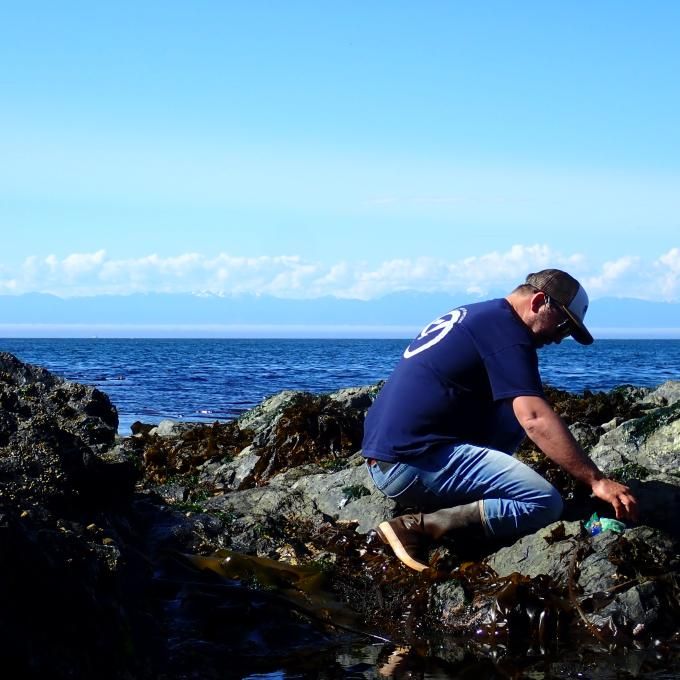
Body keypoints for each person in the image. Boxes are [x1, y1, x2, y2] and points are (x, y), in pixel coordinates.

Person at [362, 269, 639, 572]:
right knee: (544, 504)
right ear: (537, 302)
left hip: (387, 456)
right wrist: (597, 481)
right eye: (561, 326)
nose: (559, 339)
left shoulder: (481, 316)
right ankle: (417, 527)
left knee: (510, 411)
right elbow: (534, 418)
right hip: (411, 462)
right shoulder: (507, 334)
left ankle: (465, 502)